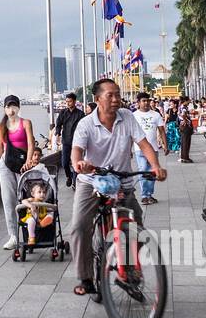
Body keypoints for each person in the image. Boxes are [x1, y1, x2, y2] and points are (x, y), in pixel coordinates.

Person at [68, 79, 166, 296]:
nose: (115, 99)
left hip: (122, 181)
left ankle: (130, 272)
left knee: (135, 227)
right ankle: (85, 277)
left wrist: (156, 166)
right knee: (79, 226)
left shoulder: (127, 117)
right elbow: (76, 151)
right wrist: (80, 164)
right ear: (97, 99)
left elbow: (144, 144)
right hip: (92, 181)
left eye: (118, 95)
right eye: (110, 95)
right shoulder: (85, 124)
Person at [0, 95, 38, 249]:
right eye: (8, 106)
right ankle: (13, 236)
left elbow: (31, 143)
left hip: (22, 165)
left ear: (18, 107)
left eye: (13, 106)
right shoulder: (2, 126)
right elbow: (1, 147)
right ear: (4, 109)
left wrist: (28, 161)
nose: (11, 109)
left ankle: (31, 232)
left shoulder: (26, 123)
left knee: (26, 198)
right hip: (5, 165)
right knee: (8, 200)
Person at [130, 92, 167, 206]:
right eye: (143, 101)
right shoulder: (134, 115)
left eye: (147, 101)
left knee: (152, 172)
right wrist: (128, 149)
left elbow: (161, 130)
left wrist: (166, 145)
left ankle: (149, 194)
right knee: (143, 170)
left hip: (154, 148)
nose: (146, 103)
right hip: (139, 149)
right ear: (138, 103)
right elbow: (130, 134)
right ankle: (144, 195)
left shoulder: (156, 115)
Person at [52, 92, 85, 190]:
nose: (68, 103)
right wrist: (57, 134)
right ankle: (69, 176)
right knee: (64, 163)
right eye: (67, 101)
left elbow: (84, 128)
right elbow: (58, 124)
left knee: (76, 162)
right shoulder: (63, 113)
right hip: (66, 141)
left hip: (77, 142)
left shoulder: (80, 114)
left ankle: (75, 181)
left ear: (74, 102)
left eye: (70, 101)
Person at [177, 96, 195, 163]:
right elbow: (183, 115)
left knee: (184, 141)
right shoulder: (184, 107)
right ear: (186, 101)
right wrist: (186, 120)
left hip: (182, 125)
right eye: (189, 100)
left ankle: (183, 157)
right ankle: (185, 158)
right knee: (186, 142)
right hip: (185, 126)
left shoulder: (180, 106)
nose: (190, 102)